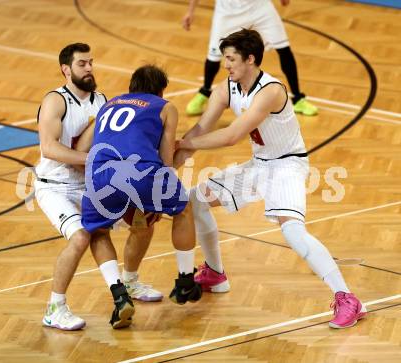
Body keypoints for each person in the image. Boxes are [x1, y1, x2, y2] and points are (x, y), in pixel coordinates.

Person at [175, 29, 366, 329]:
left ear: (250, 59)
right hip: (259, 165)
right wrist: (173, 158)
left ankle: (348, 298)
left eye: (231, 59)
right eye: (225, 59)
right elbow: (200, 130)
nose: (226, 65)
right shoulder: (226, 88)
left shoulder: (272, 90)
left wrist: (185, 146)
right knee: (195, 200)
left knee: (292, 232)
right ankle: (215, 272)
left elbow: (231, 136)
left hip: (287, 167)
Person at [35, 43, 162, 331]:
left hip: (90, 183)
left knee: (103, 231)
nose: (89, 68)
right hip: (53, 185)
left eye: (91, 62)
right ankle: (55, 308)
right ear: (66, 70)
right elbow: (49, 148)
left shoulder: (103, 101)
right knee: (80, 236)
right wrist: (92, 158)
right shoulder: (55, 101)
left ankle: (122, 292)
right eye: (82, 64)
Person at [78, 64, 202, 328]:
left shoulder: (108, 104)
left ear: (132, 86)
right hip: (141, 172)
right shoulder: (165, 106)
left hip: (99, 174)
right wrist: (157, 192)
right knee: (183, 209)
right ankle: (184, 281)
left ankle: (120, 291)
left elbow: (82, 148)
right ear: (160, 90)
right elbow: (167, 159)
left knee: (99, 233)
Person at [182, 0, 318, 117]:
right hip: (227, 10)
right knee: (214, 56)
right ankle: (205, 92)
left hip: (259, 7)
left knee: (284, 49)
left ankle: (298, 99)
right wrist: (190, 11)